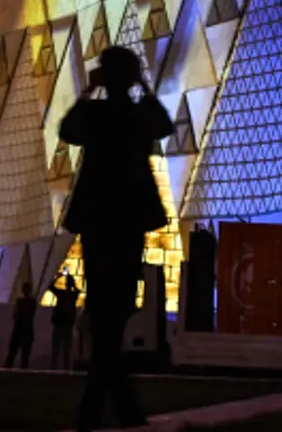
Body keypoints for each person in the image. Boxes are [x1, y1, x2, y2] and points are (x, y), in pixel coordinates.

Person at [57, 47, 173, 430]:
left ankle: (101, 410)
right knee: (116, 308)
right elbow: (164, 124)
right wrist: (142, 85)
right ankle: (118, 410)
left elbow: (67, 130)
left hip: (97, 219)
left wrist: (88, 92)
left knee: (107, 308)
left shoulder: (95, 115)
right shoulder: (138, 116)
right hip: (129, 220)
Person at [8, 268, 39, 369]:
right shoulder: (30, 302)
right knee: (22, 355)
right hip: (25, 330)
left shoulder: (22, 302)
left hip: (21, 330)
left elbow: (16, 315)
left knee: (15, 353)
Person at [49, 272, 81, 369]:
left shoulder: (63, 294)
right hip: (65, 325)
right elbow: (77, 291)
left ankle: (56, 369)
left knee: (60, 349)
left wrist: (58, 278)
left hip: (62, 325)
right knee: (64, 350)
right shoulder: (71, 295)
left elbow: (51, 287)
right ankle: (63, 369)